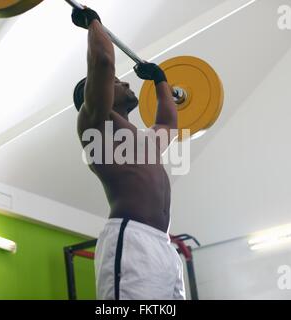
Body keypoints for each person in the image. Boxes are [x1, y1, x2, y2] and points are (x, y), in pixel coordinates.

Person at [71, 7, 185, 300]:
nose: (125, 82)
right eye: (117, 82)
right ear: (96, 91)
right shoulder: (95, 123)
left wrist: (160, 81)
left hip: (163, 247)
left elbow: (169, 124)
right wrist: (93, 22)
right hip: (131, 240)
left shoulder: (141, 142)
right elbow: (104, 61)